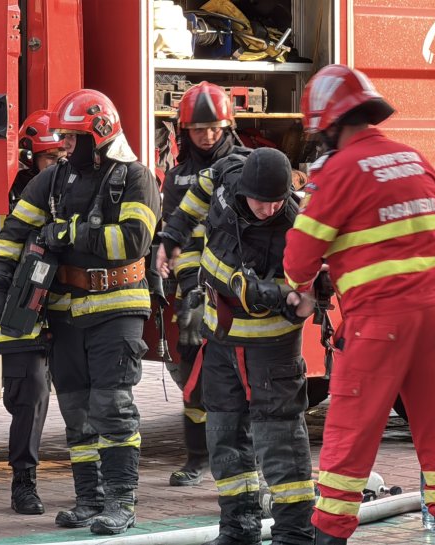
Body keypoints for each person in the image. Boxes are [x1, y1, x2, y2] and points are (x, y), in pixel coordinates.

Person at [283, 64, 435, 545]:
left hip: (380, 323)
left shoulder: (338, 171)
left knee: (348, 446)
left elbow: (299, 256)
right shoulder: (414, 159)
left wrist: (301, 290)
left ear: (329, 124)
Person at [0, 89, 160, 536]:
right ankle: (89, 500)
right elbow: (15, 230)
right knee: (76, 409)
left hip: (117, 308)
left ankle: (120, 502)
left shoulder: (135, 178)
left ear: (99, 135)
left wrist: (69, 233)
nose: (63, 145)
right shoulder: (54, 180)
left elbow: (133, 241)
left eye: (72, 137)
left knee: (112, 407)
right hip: (65, 312)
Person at [156, 147, 315, 545]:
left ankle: (294, 535)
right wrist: (173, 237)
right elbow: (196, 196)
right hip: (221, 341)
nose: (269, 209)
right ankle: (238, 529)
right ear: (244, 190)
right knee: (224, 435)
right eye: (261, 201)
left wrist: (267, 293)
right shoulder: (226, 176)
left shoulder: (296, 227)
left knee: (279, 442)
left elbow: (309, 295)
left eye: (277, 201)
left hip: (271, 352)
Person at [0, 109, 64, 515]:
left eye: (63, 153)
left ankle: (95, 483)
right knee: (30, 395)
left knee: (87, 396)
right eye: (50, 157)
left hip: (69, 302)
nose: (58, 162)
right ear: (30, 156)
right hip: (22, 302)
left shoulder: (81, 184)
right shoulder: (10, 191)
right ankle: (23, 483)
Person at [160, 81, 250, 487]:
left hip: (238, 292)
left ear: (228, 127)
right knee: (192, 377)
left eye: (215, 127)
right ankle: (197, 458)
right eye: (199, 129)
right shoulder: (177, 178)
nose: (208, 135)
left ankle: (242, 459)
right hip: (195, 292)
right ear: (186, 131)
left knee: (243, 379)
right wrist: (189, 287)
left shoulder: (246, 167)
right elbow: (177, 237)